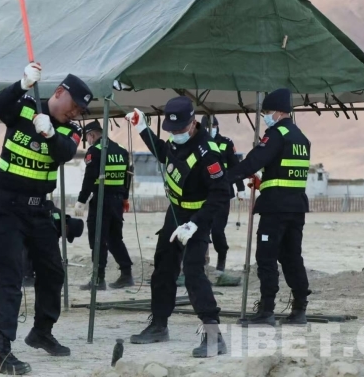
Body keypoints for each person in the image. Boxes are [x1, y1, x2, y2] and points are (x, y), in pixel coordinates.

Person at [0, 63, 92, 375]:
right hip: (7, 208)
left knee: (52, 273)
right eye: (74, 106)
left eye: (81, 110)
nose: (76, 113)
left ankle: (41, 332)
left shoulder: (71, 130)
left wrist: (50, 132)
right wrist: (21, 84)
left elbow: (64, 152)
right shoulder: (24, 108)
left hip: (39, 211)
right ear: (59, 93)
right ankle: (0, 351)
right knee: (9, 277)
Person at [128, 97, 230, 358]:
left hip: (198, 217)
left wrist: (195, 224)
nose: (175, 134)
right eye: (171, 130)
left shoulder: (208, 153)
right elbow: (164, 153)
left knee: (194, 272)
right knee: (163, 268)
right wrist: (143, 129)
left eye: (180, 129)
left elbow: (221, 194)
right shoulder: (175, 140)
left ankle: (213, 335)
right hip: (175, 213)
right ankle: (159, 324)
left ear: (193, 123)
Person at [226, 88, 311, 326]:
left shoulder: (276, 135)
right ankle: (300, 308)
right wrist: (262, 183)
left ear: (280, 112)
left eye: (268, 111)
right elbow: (285, 174)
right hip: (296, 207)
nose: (265, 116)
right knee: (292, 257)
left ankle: (267, 310)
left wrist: (223, 179)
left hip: (275, 208)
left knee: (266, 257)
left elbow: (254, 161)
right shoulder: (301, 138)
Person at [75, 120, 134, 290]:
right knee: (115, 239)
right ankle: (126, 274)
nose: (89, 141)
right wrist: (125, 198)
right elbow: (127, 177)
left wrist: (81, 200)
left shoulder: (95, 150)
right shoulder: (121, 150)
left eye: (88, 138)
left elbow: (89, 177)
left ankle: (98, 279)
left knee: (97, 239)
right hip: (117, 201)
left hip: (102, 201)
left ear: (92, 135)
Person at [201, 116, 245, 272]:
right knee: (200, 229)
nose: (211, 129)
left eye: (214, 126)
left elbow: (235, 166)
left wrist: (241, 188)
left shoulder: (226, 143)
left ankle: (221, 259)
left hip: (223, 193)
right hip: (202, 194)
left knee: (217, 230)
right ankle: (200, 262)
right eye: (208, 127)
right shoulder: (198, 144)